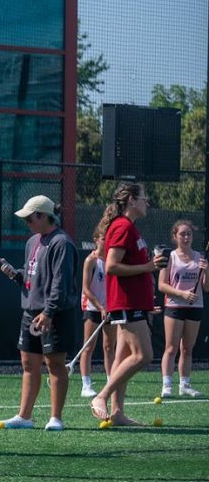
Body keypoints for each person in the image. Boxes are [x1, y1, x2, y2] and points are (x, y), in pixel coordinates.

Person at [0, 195, 79, 432]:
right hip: (31, 312)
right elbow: (34, 278)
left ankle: (56, 417)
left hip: (54, 314)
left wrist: (49, 312)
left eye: (30, 218)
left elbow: (60, 284)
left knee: (55, 364)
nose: (27, 223)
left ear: (43, 216)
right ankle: (24, 416)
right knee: (28, 363)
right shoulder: (32, 242)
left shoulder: (61, 243)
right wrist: (16, 275)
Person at [90, 182, 168, 425]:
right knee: (143, 355)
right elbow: (111, 266)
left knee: (122, 357)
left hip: (132, 303)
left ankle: (118, 413)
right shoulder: (122, 226)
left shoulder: (129, 227)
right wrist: (148, 267)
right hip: (126, 303)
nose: (147, 202)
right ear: (132, 200)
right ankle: (100, 396)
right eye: (144, 197)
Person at [158, 219, 206, 398]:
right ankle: (167, 385)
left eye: (189, 234)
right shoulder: (170, 256)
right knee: (171, 348)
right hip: (174, 306)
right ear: (175, 236)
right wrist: (182, 294)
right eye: (182, 234)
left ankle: (185, 384)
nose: (186, 237)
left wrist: (206, 271)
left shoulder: (200, 257)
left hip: (195, 306)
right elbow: (162, 285)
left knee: (187, 348)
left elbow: (206, 287)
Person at [79, 232, 116, 398]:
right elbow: (86, 289)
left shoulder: (112, 260)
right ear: (95, 240)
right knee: (88, 347)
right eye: (103, 238)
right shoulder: (91, 260)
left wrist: (109, 306)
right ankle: (86, 385)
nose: (106, 241)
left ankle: (111, 382)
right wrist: (101, 307)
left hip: (110, 309)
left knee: (109, 347)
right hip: (92, 309)